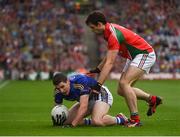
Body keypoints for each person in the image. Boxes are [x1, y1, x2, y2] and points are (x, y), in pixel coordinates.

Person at [85, 11, 162, 127]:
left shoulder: (112, 34)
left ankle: (135, 120)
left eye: (92, 27)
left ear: (99, 24)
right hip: (134, 56)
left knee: (124, 83)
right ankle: (152, 100)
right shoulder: (109, 31)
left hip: (144, 54)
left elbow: (110, 62)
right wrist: (98, 69)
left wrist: (98, 85)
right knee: (121, 90)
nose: (92, 30)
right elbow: (109, 55)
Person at [52, 72, 128, 127]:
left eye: (62, 87)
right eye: (58, 88)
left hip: (100, 94)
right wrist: (58, 120)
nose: (61, 90)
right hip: (87, 99)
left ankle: (120, 119)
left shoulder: (79, 82)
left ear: (68, 81)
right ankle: (90, 122)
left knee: (97, 121)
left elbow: (83, 107)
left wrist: (73, 125)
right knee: (66, 121)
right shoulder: (58, 91)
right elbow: (57, 108)